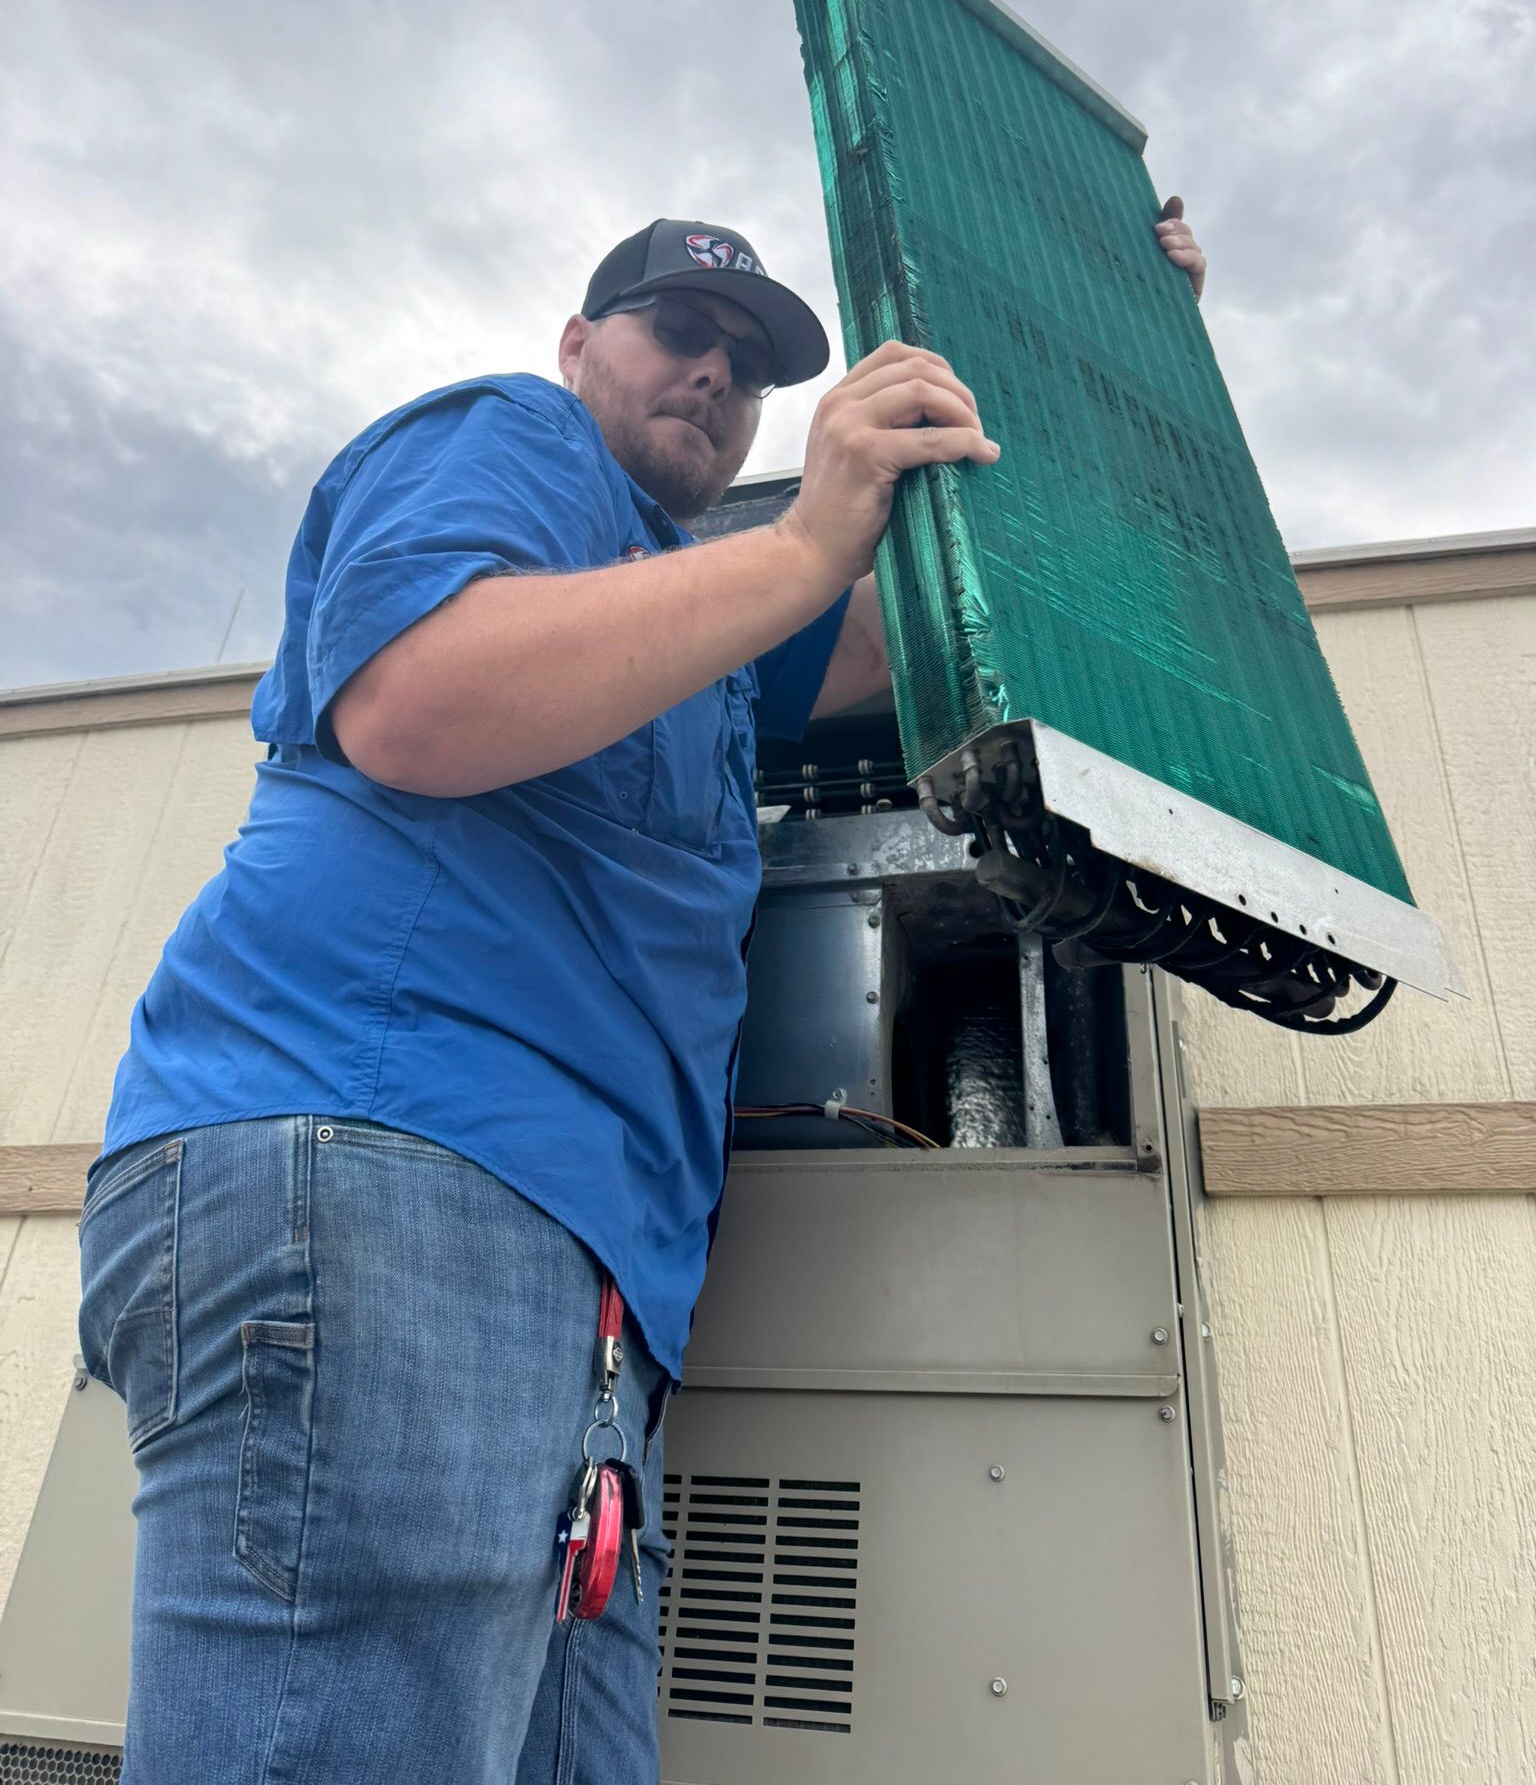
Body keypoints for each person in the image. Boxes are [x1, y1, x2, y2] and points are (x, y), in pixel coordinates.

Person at [77, 203, 1206, 1784]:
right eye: (679, 331)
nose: (715, 375)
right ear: (577, 345)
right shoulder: (508, 437)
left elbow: (935, 622)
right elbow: (416, 699)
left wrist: (1104, 364)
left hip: (586, 1292)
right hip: (389, 1173)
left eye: (750, 365)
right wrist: (804, 539)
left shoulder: (704, 624)